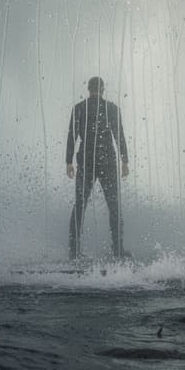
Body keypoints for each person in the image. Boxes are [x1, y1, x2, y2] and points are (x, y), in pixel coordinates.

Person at [65, 76, 130, 260]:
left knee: (80, 204)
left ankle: (74, 250)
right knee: (114, 205)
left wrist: (68, 161)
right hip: (107, 161)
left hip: (86, 160)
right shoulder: (111, 108)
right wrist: (125, 160)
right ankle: (118, 250)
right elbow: (119, 136)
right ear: (103, 89)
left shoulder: (79, 108)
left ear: (89, 89)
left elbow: (72, 136)